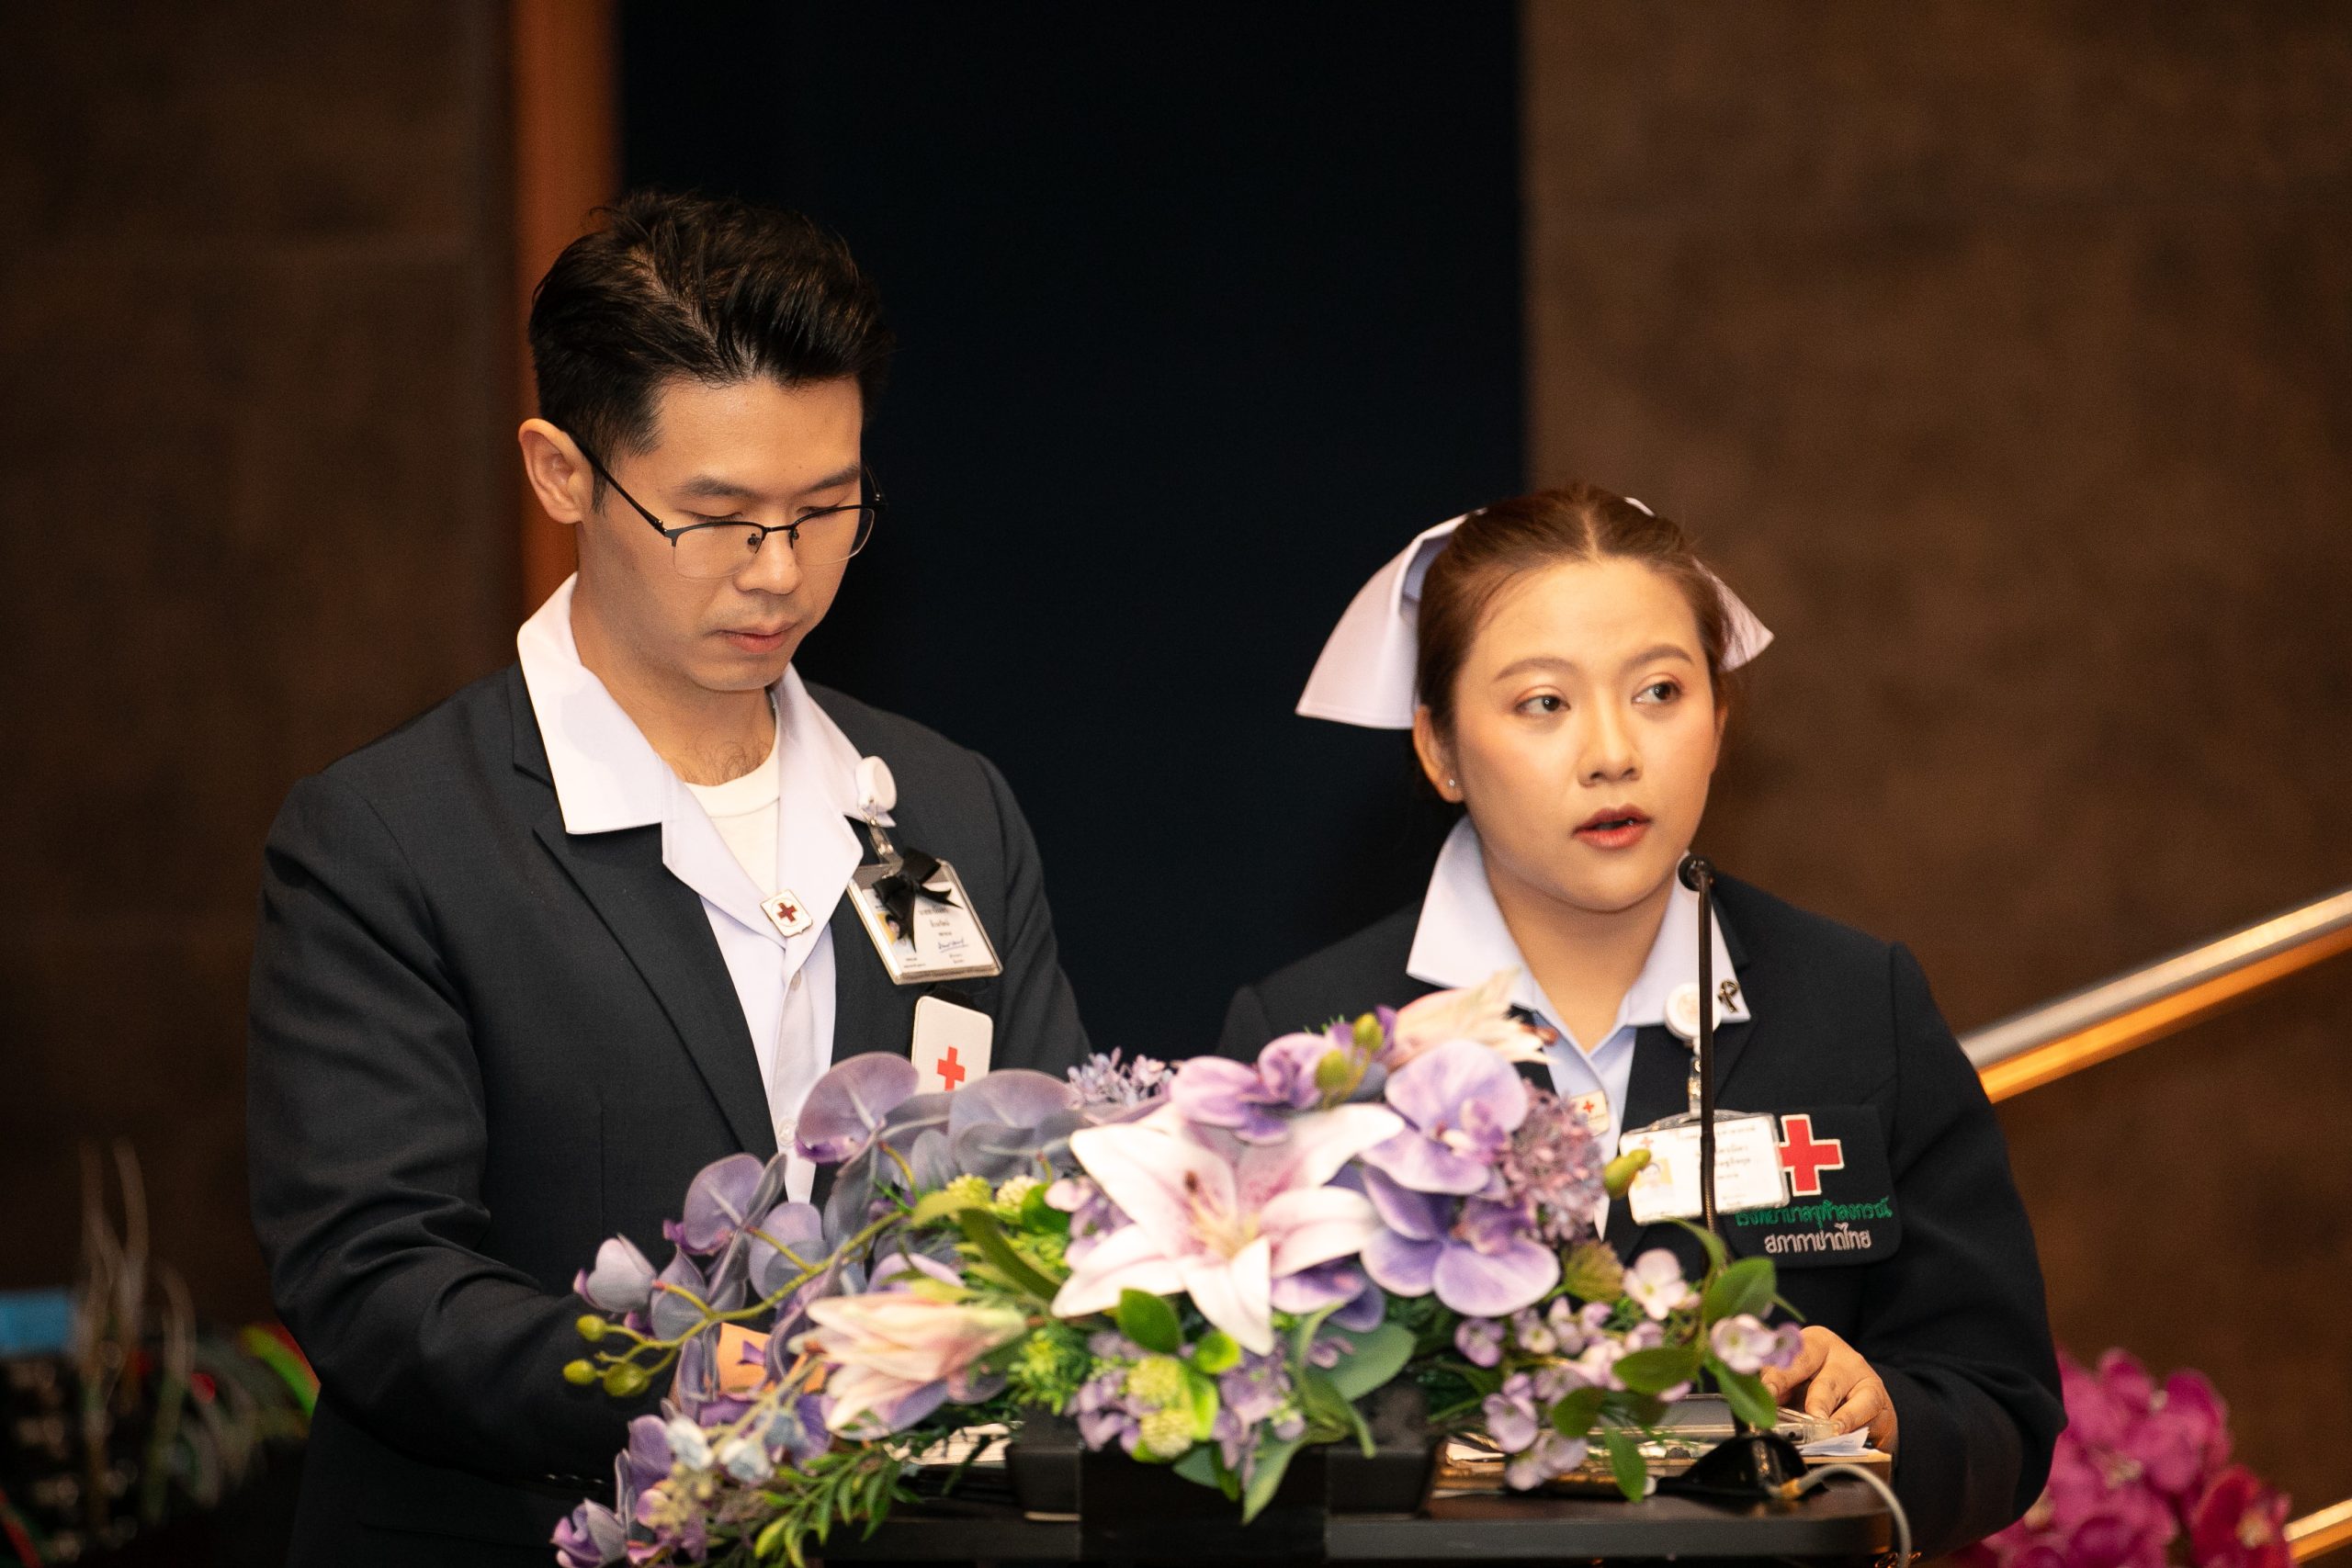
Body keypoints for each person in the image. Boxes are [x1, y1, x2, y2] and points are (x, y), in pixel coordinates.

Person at [247, 190, 1090, 1566]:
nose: (780, 572)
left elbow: (1046, 1174)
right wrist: (714, 1381)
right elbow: (376, 1278)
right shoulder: (393, 837)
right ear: (561, 473)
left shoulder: (943, 807)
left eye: (827, 508)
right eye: (717, 516)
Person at [1219, 485, 2062, 1554]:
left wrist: (1889, 1416)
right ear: (1437, 748)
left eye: (1659, 690)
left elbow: (1999, 1402)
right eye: (1543, 703)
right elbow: (1233, 1434)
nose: (1613, 751)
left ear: (1719, 722)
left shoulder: (1857, 1004)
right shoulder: (1319, 1038)